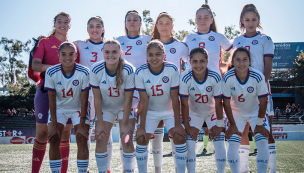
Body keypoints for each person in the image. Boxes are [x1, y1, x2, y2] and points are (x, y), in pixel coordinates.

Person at [184, 4, 233, 155]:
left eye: (206, 17)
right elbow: (183, 57)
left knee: (219, 137)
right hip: (193, 88)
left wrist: (226, 68)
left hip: (214, 88)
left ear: (211, 20)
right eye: (199, 18)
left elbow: (235, 52)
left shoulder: (218, 37)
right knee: (189, 140)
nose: (203, 20)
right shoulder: (189, 38)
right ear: (195, 20)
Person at [232, 4, 276, 172]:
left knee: (266, 131)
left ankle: (272, 169)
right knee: (243, 131)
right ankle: (244, 169)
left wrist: (260, 87)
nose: (250, 23)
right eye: (247, 19)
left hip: (261, 91)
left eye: (254, 19)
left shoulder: (266, 39)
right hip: (241, 92)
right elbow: (233, 65)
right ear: (242, 21)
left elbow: (268, 66)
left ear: (258, 21)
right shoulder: (237, 41)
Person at [135, 40, 187, 173]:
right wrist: (141, 127)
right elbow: (144, 101)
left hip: (169, 110)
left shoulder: (172, 69)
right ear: (146, 56)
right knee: (141, 138)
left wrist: (177, 124)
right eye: (150, 55)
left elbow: (175, 98)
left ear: (164, 55)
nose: (154, 58)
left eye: (158, 54)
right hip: (151, 111)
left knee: (179, 136)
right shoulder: (141, 71)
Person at [31, 12, 73, 173]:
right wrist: (56, 69)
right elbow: (35, 65)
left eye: (66, 22)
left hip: (68, 93)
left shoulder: (72, 45)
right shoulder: (45, 42)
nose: (62, 24)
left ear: (70, 25)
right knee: (42, 134)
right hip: (45, 90)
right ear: (54, 24)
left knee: (65, 134)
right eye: (59, 21)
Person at [150, 12, 190, 172]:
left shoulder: (181, 46)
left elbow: (193, 66)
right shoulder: (150, 44)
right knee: (157, 134)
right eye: (161, 23)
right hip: (154, 95)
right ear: (156, 26)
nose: (164, 26)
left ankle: (178, 169)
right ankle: (158, 170)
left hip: (175, 96)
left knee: (177, 133)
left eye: (167, 23)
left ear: (172, 26)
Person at [73, 16, 113, 172]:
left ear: (103, 29)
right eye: (91, 26)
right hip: (85, 94)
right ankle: (85, 168)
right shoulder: (79, 45)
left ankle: (106, 168)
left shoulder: (110, 45)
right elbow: (62, 48)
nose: (94, 29)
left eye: (98, 26)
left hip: (105, 94)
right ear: (87, 29)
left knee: (105, 130)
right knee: (85, 131)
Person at [90, 40, 136, 173]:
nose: (111, 55)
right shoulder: (96, 69)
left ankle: (129, 170)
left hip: (125, 107)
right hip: (106, 108)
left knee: (126, 138)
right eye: (107, 52)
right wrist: (99, 122)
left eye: (114, 52)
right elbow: (97, 98)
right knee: (100, 137)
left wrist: (126, 123)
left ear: (120, 53)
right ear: (102, 53)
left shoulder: (128, 69)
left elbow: (128, 99)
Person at [44, 42, 90, 172]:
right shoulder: (51, 72)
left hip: (78, 109)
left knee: (82, 137)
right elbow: (52, 99)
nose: (67, 57)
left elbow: (84, 98)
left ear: (76, 55)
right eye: (63, 54)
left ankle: (82, 171)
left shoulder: (84, 71)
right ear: (58, 56)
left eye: (71, 54)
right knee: (53, 137)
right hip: (59, 108)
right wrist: (53, 123)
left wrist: (82, 122)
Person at [223, 47, 270, 173]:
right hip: (236, 113)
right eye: (238, 60)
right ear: (232, 61)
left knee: (262, 142)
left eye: (245, 60)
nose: (241, 63)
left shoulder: (258, 76)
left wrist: (259, 124)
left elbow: (264, 101)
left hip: (256, 112)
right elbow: (226, 104)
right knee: (232, 143)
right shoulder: (228, 77)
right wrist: (232, 124)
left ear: (250, 61)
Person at [179, 47, 226, 173]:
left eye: (202, 61)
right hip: (194, 113)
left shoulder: (215, 76)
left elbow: (218, 103)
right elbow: (184, 104)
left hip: (213, 113)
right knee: (189, 144)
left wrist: (219, 125)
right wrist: (187, 126)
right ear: (189, 62)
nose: (198, 65)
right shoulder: (184, 77)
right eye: (195, 61)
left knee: (219, 142)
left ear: (207, 61)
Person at [116, 10, 151, 172]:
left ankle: (145, 168)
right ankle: (127, 169)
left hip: (145, 92)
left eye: (135, 19)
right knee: (125, 135)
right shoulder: (118, 41)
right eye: (128, 19)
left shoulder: (149, 40)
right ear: (125, 23)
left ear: (140, 23)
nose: (132, 22)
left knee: (145, 136)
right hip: (125, 94)